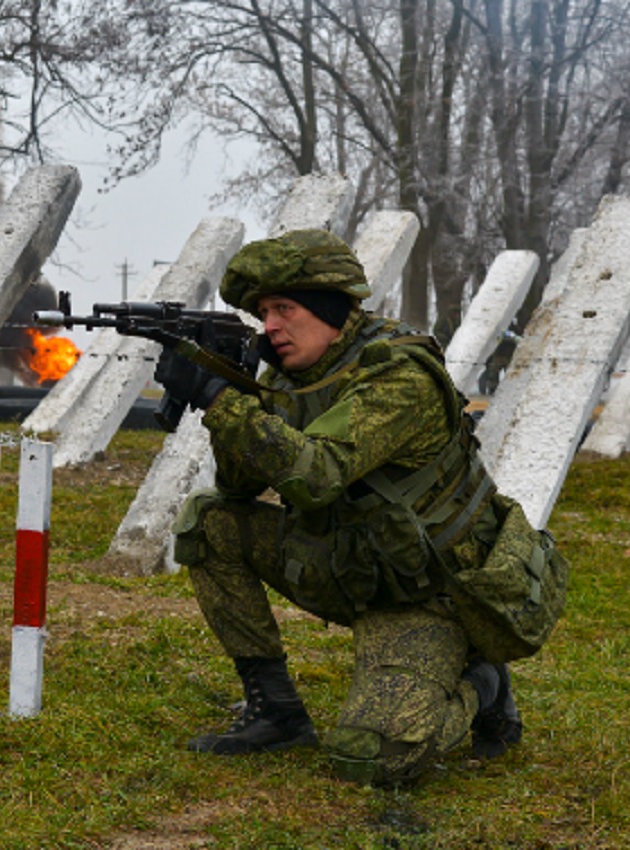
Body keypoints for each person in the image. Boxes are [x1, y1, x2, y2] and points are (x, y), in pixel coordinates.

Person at [157, 228, 567, 787]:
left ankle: (482, 684)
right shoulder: (291, 377)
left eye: (283, 309)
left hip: (424, 593)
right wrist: (237, 390)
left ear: (330, 309)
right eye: (262, 313)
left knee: (374, 758)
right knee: (210, 521)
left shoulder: (397, 377)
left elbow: (315, 475)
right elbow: (237, 488)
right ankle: (275, 712)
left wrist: (223, 403)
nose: (269, 326)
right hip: (348, 565)